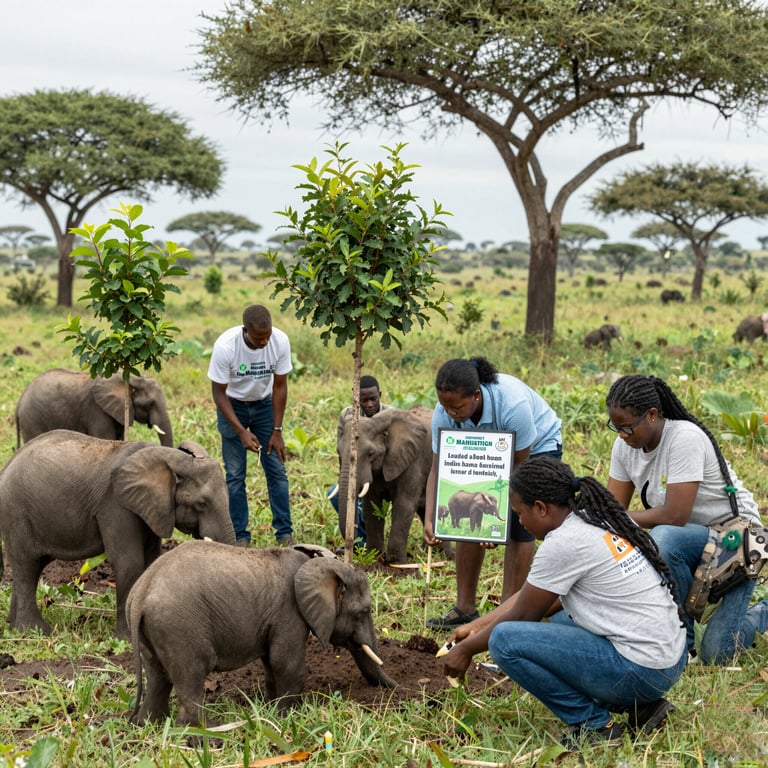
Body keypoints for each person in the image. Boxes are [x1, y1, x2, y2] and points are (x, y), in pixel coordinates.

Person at [441, 456, 687, 749]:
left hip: (642, 670)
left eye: (520, 514)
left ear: (541, 508)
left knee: (505, 641)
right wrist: (477, 624)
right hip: (669, 659)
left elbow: (522, 616)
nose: (520, 522)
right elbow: (536, 596)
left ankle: (594, 726)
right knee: (557, 620)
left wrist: (468, 649)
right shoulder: (593, 517)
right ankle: (641, 708)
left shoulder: (564, 542)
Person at [605, 374, 768, 665]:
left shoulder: (684, 438)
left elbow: (674, 515)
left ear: (652, 415)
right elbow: (611, 513)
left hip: (735, 540)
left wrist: (619, 517)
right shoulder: (624, 449)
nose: (622, 435)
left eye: (627, 427)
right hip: (692, 542)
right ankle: (684, 644)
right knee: (662, 539)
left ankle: (763, 613)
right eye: (616, 428)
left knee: (718, 654)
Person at [423, 356, 562, 630]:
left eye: (457, 407)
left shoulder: (513, 405)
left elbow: (521, 465)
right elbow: (437, 469)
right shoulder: (444, 413)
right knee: (469, 526)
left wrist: (498, 525)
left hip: (535, 450)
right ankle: (465, 608)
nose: (451, 413)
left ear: (476, 395)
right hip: (484, 457)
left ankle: (507, 612)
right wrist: (430, 517)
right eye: (445, 406)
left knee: (523, 525)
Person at [207, 304, 293, 546]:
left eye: (267, 336)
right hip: (232, 406)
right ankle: (240, 536)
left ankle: (285, 533)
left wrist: (277, 430)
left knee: (277, 470)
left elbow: (279, 386)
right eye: (258, 338)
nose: (265, 342)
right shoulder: (226, 347)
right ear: (245, 330)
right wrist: (241, 431)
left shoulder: (280, 341)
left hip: (265, 406)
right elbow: (219, 393)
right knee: (235, 475)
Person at [328, 375, 390, 548]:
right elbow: (343, 450)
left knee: (370, 507)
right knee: (336, 494)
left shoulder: (390, 415)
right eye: (364, 400)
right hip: (358, 473)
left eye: (373, 399)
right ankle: (360, 540)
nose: (369, 404)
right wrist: (346, 478)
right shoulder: (347, 416)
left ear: (380, 395)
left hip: (385, 477)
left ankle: (368, 540)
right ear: (355, 398)